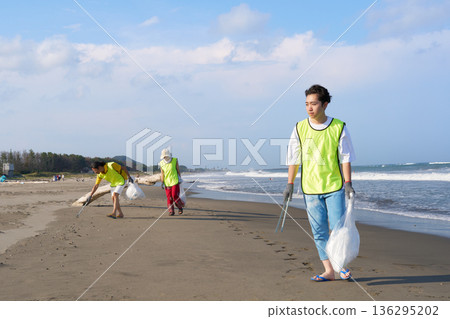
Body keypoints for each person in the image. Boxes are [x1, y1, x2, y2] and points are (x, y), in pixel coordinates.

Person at [283, 84, 356, 282]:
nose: (309, 108)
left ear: (324, 104)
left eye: (313, 104)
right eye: (306, 104)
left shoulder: (338, 126)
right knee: (319, 230)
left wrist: (348, 182)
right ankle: (329, 270)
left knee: (338, 228)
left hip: (334, 186)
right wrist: (289, 184)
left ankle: (341, 266)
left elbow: (346, 157)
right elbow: (294, 158)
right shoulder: (299, 127)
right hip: (310, 187)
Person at [159, 149, 184, 216]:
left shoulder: (175, 160)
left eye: (166, 156)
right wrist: (162, 182)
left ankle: (180, 207)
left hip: (175, 181)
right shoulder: (161, 163)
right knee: (169, 198)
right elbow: (162, 174)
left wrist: (180, 179)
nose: (165, 157)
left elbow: (178, 170)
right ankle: (171, 211)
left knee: (174, 195)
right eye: (164, 157)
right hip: (167, 183)